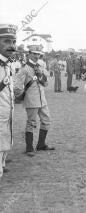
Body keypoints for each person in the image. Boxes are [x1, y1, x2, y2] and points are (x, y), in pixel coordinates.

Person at [14, 45, 55, 157]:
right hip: (31, 99)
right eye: (34, 53)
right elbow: (17, 85)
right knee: (31, 122)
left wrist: (40, 74)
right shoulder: (24, 68)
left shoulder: (40, 66)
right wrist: (21, 95)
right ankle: (29, 148)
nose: (37, 56)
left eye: (38, 54)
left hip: (42, 99)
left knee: (46, 120)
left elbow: (46, 83)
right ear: (29, 53)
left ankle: (41, 144)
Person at [0, 24, 17, 177]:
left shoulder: (9, 64)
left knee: (6, 142)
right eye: (6, 41)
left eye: (13, 41)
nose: (11, 46)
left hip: (7, 113)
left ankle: (3, 164)